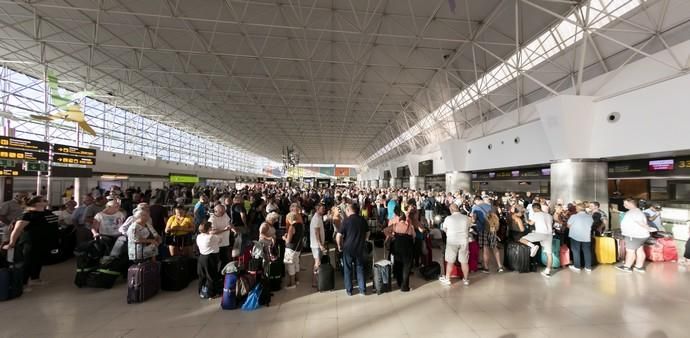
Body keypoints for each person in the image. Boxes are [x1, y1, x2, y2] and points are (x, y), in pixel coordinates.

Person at [2, 196, 57, 291]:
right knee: (28, 262)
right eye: (43, 200)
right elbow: (17, 230)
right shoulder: (28, 215)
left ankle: (35, 279)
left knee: (38, 260)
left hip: (43, 241)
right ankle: (22, 284)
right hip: (30, 242)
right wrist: (12, 243)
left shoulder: (47, 212)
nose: (46, 201)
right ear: (36, 203)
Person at [337, 203, 369, 296]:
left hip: (348, 248)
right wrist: (364, 240)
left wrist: (339, 246)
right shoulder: (362, 220)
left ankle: (349, 290)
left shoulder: (346, 221)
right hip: (360, 248)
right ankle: (362, 290)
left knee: (348, 269)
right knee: (360, 268)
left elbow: (338, 236)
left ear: (349, 210)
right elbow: (368, 232)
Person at [616, 198, 654, 273]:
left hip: (634, 236)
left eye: (625, 204)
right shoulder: (636, 211)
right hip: (640, 235)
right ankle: (639, 267)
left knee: (630, 251)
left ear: (631, 204)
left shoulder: (634, 212)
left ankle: (627, 267)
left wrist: (649, 228)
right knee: (640, 250)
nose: (623, 205)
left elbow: (640, 222)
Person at [439, 203, 471, 286]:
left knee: (450, 261)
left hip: (452, 241)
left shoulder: (448, 218)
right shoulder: (466, 218)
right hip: (463, 241)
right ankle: (466, 279)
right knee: (464, 262)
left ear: (451, 210)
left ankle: (448, 278)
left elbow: (444, 229)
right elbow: (469, 228)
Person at [384, 206, 414, 291]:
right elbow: (413, 236)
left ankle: (399, 282)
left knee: (398, 264)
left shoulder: (395, 225)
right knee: (406, 267)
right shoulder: (409, 227)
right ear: (405, 220)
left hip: (397, 245)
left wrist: (392, 236)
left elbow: (385, 230)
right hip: (407, 246)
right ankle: (404, 286)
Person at [519, 203, 554, 278]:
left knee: (522, 239)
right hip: (549, 235)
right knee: (549, 254)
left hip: (540, 233)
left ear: (534, 208)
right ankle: (547, 271)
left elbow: (531, 223)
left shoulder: (536, 214)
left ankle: (533, 246)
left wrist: (525, 218)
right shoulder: (549, 215)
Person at [471, 196, 503, 273]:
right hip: (492, 229)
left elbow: (473, 220)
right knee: (494, 247)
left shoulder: (475, 207)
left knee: (486, 248)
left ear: (476, 200)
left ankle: (486, 267)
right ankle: (500, 266)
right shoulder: (491, 207)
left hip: (483, 230)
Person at [196, 221, 221, 299]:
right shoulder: (211, 237)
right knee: (212, 276)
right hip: (211, 257)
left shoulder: (199, 236)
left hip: (201, 257)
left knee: (202, 276)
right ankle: (211, 294)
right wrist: (213, 233)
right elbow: (220, 240)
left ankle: (201, 292)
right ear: (208, 229)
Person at [567, 203, 594, 272]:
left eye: (576, 208)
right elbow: (591, 225)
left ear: (578, 209)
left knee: (576, 251)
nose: (575, 209)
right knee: (587, 251)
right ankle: (588, 267)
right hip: (586, 236)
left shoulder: (574, 216)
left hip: (575, 236)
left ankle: (577, 266)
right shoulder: (590, 217)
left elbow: (568, 225)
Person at [283, 204, 305, 289]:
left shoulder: (292, 227)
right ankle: (297, 280)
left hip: (291, 248)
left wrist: (284, 238)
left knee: (290, 265)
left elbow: (288, 240)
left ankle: (292, 284)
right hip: (298, 248)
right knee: (296, 263)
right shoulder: (300, 225)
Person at [208, 204, 233, 269]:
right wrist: (224, 230)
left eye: (224, 211)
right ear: (215, 211)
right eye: (221, 212)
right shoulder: (212, 219)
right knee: (218, 262)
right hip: (217, 244)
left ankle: (224, 276)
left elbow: (229, 223)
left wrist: (233, 229)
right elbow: (212, 232)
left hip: (225, 242)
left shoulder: (224, 214)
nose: (223, 213)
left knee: (225, 260)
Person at [309, 203, 327, 271]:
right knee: (318, 262)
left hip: (317, 245)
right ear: (317, 209)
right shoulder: (316, 218)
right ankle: (317, 279)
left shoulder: (319, 217)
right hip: (316, 245)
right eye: (322, 209)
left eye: (324, 208)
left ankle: (317, 278)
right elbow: (316, 233)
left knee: (318, 261)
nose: (324, 210)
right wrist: (320, 245)